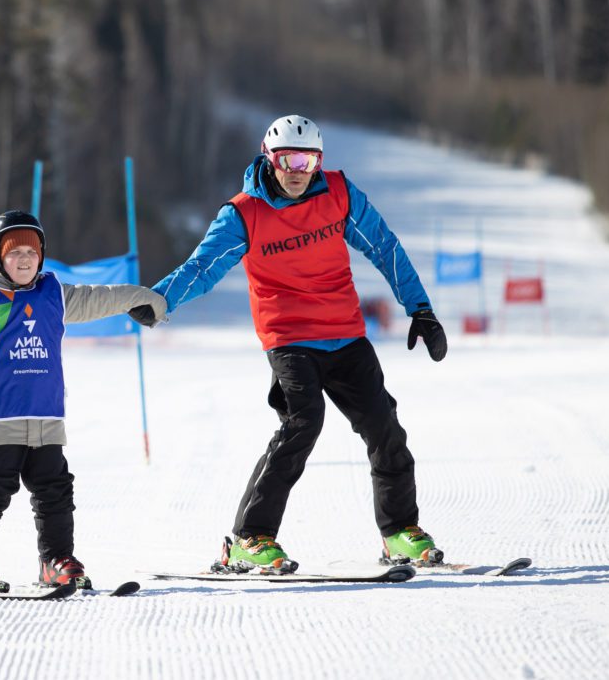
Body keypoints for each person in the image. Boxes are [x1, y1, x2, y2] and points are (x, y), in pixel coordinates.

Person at [132, 115, 448, 573]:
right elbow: (204, 267)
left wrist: (420, 309)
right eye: (288, 159)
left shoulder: (338, 194)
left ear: (319, 161)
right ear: (270, 158)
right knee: (304, 422)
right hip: (289, 338)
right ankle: (250, 538)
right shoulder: (244, 213)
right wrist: (162, 299)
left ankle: (400, 531)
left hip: (345, 333)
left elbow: (384, 246)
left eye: (308, 159)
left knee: (384, 424)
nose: (298, 169)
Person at [0, 210, 166, 590]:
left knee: (55, 490)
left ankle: (56, 560)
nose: (25, 259)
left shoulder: (52, 295)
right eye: (15, 253)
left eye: (32, 251)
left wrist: (141, 299)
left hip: (44, 418)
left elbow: (98, 299)